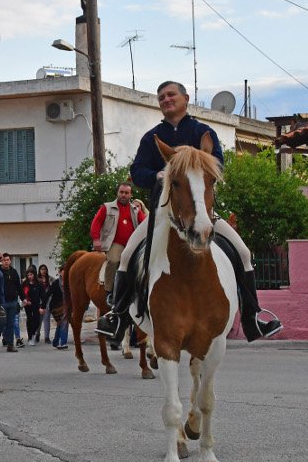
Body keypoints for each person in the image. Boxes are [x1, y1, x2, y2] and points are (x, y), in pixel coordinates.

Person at [95, 80, 283, 343]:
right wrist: (158, 175)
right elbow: (137, 172)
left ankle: (253, 317)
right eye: (161, 97)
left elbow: (218, 164)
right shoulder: (152, 138)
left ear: (186, 98)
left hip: (202, 212)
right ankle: (118, 315)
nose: (166, 100)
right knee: (126, 256)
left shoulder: (202, 131)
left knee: (243, 252)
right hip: (162, 214)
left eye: (171, 95)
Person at [90, 182, 146, 300]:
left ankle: (140, 291)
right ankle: (109, 292)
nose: (124, 195)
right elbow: (96, 223)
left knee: (142, 263)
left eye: (126, 193)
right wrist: (96, 239)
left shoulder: (136, 210)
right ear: (117, 193)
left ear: (130, 195)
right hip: (115, 243)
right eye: (121, 192)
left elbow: (145, 224)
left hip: (132, 245)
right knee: (114, 260)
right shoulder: (107, 207)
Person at [0, 253, 23, 353]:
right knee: (1, 322)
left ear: (10, 261)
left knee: (11, 324)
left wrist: (24, 298)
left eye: (8, 260)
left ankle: (10, 345)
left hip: (13, 302)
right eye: (4, 260)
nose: (6, 261)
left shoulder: (13, 272)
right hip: (1, 302)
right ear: (1, 261)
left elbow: (19, 286)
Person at [21, 267, 45, 346]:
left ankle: (34, 333)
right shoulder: (24, 283)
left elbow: (43, 296)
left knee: (37, 320)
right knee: (29, 320)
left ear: (34, 274)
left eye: (31, 274)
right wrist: (25, 300)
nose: (29, 276)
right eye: (28, 275)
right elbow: (21, 293)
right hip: (28, 304)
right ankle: (30, 337)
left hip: (36, 304)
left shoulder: (39, 283)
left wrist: (42, 306)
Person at [46, 267, 69, 349]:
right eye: (63, 271)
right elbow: (48, 293)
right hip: (55, 306)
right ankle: (61, 342)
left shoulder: (69, 283)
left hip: (65, 305)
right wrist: (42, 306)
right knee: (63, 322)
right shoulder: (56, 283)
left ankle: (58, 342)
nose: (65, 273)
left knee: (62, 323)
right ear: (60, 272)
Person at [36, 264, 54, 344]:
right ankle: (37, 334)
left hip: (48, 301)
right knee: (38, 319)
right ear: (39, 270)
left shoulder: (50, 279)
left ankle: (47, 337)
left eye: (44, 269)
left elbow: (55, 288)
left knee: (46, 319)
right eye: (41, 269)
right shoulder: (36, 279)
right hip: (38, 301)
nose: (43, 271)